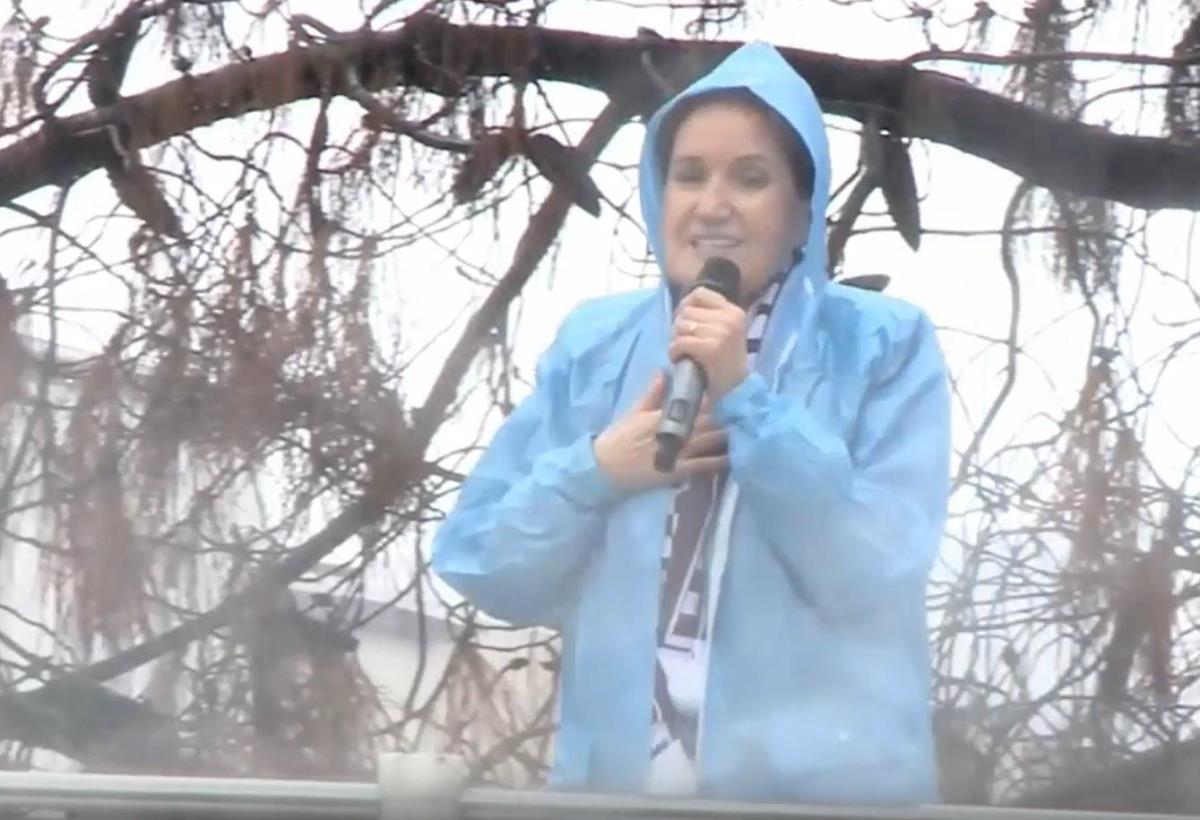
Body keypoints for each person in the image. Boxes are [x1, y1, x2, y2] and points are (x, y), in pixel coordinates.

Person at [431, 41, 951, 805]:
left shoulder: (881, 344)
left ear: (803, 208)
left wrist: (749, 404)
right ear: (658, 191)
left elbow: (874, 570)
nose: (712, 205)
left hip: (825, 800)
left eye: (751, 178)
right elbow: (481, 562)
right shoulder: (596, 345)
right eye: (689, 174)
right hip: (616, 798)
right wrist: (595, 472)